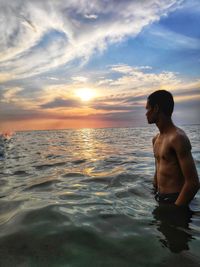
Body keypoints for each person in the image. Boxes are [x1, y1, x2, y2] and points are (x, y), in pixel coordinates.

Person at [146, 90, 199, 206]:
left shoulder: (178, 138)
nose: (146, 113)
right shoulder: (155, 139)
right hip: (160, 198)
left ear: (156, 108)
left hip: (176, 200)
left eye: (147, 109)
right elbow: (158, 170)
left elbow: (193, 182)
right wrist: (153, 193)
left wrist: (176, 208)